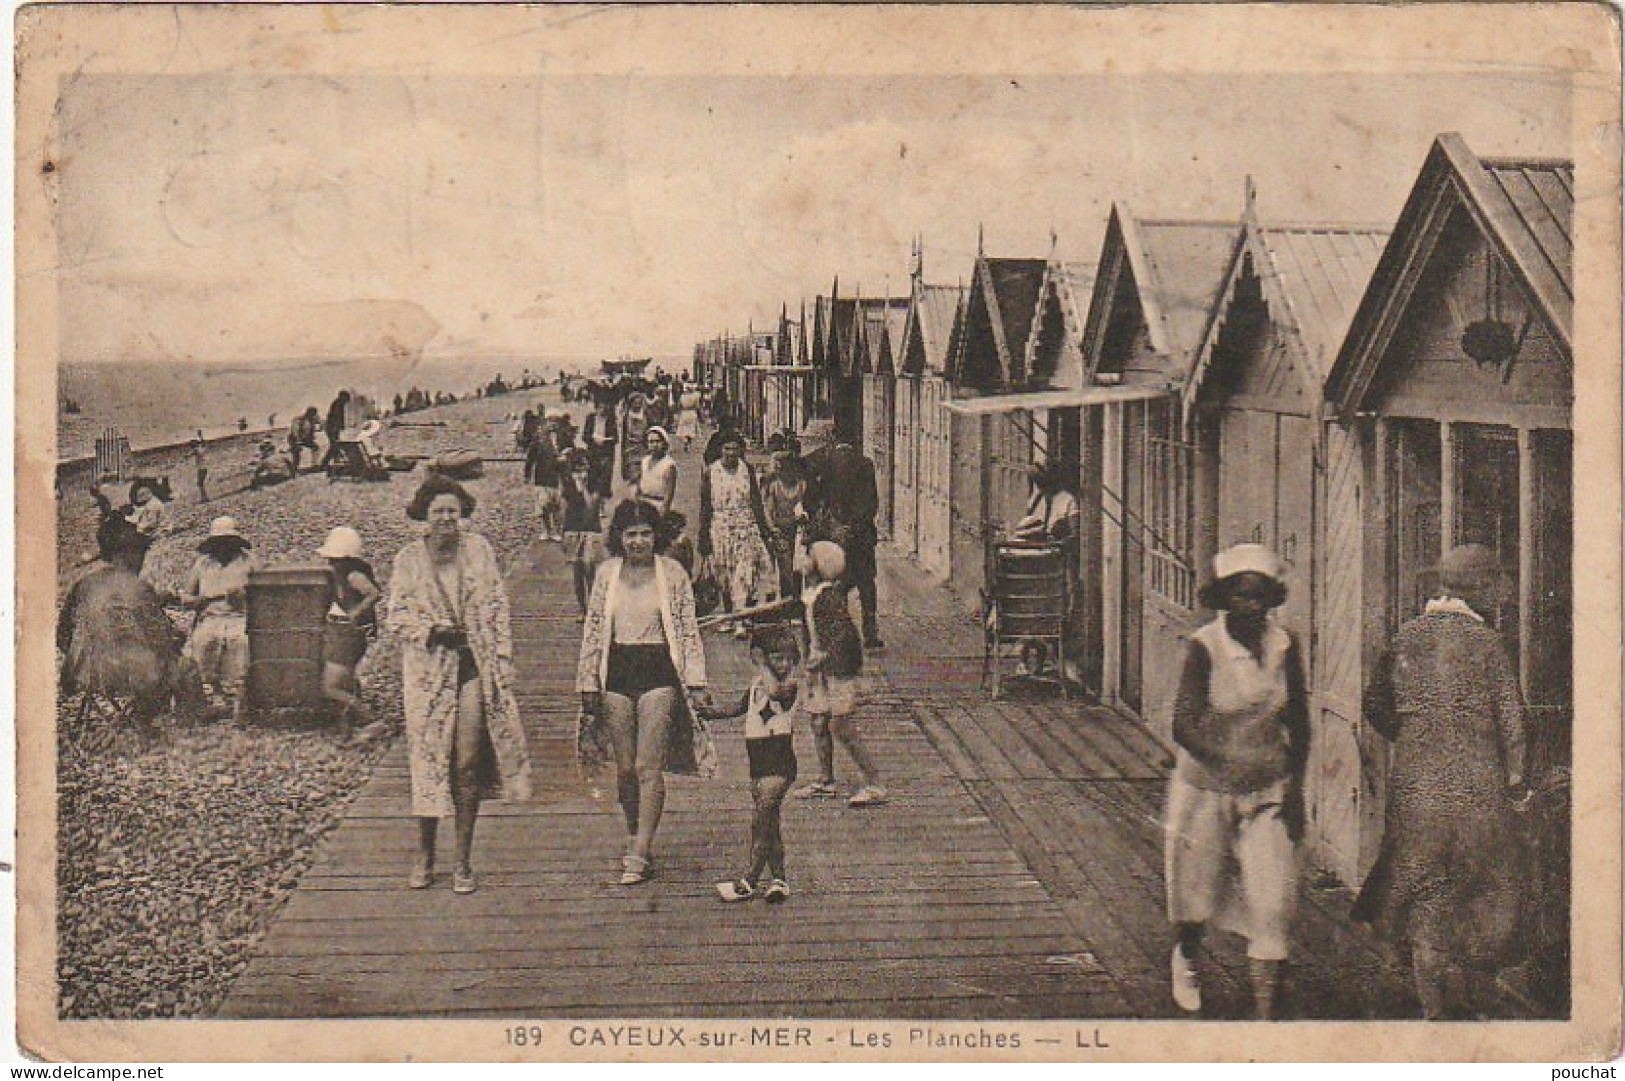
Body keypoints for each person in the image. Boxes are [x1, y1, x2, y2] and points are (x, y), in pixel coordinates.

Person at [1352, 543, 1528, 1019]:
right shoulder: (1490, 644)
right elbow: (1512, 722)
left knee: (1426, 889)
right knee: (1483, 887)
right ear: (1485, 588)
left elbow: (1375, 704)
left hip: (1416, 785)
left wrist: (1414, 737)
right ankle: (1470, 1000)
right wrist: (1516, 780)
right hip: (1478, 785)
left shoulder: (1406, 636)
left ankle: (1435, 1008)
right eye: (1498, 583)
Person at [1163, 543, 1308, 1019]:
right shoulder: (1205, 647)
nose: (1253, 607)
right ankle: (1186, 954)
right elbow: (1183, 724)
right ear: (1224, 599)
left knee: (1272, 902)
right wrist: (1224, 759)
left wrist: (1295, 795)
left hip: (1266, 790)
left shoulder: (1285, 645)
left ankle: (1266, 1021)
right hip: (1204, 788)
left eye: (1262, 597)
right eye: (1243, 597)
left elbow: (1300, 723)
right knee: (1193, 895)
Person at [387, 475, 533, 894]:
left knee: (467, 763)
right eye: (439, 512)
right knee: (429, 761)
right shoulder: (408, 560)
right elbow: (395, 616)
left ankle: (463, 861)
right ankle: (425, 855)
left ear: (463, 514)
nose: (447, 519)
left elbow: (498, 606)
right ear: (425, 518)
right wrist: (432, 632)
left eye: (453, 511)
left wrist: (503, 661)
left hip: (475, 664)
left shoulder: (480, 550)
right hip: (430, 670)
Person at [577, 499, 712, 886]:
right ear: (619, 537)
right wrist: (588, 681)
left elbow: (688, 628)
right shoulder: (606, 574)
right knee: (624, 769)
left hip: (658, 672)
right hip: (616, 670)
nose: (638, 541)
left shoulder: (672, 574)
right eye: (631, 534)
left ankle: (640, 849)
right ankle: (637, 832)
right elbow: (594, 627)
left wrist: (697, 680)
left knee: (646, 766)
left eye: (646, 534)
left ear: (657, 536)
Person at [699, 621, 801, 903]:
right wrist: (707, 711)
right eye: (777, 658)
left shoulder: (787, 686)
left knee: (761, 821)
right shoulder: (757, 684)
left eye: (789, 660)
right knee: (770, 822)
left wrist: (761, 663)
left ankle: (750, 879)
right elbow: (735, 709)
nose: (784, 665)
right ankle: (779, 878)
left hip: (779, 762)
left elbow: (775, 692)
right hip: (758, 762)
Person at [791, 541, 887, 807]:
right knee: (818, 721)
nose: (804, 558)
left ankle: (874, 783)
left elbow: (843, 636)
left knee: (841, 725)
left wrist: (825, 658)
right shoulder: (811, 594)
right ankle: (825, 780)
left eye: (810, 555)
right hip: (819, 669)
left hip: (836, 669)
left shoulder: (828, 598)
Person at [800, 418, 884, 649]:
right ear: (855, 439)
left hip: (831, 534)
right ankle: (870, 632)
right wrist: (855, 525)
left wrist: (825, 520)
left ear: (833, 438)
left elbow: (809, 497)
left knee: (836, 582)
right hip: (860, 535)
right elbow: (871, 502)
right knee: (866, 583)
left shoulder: (822, 461)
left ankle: (839, 631)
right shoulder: (864, 464)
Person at [180, 516, 260, 724]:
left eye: (227, 542)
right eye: (219, 543)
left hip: (239, 616)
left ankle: (240, 699)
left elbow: (263, 593)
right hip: (210, 616)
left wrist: (244, 595)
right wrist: (201, 600)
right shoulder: (203, 564)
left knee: (241, 642)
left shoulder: (248, 561)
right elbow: (186, 597)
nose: (223, 547)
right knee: (203, 641)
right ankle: (213, 696)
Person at [698, 429, 776, 620]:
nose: (731, 453)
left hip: (745, 526)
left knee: (745, 571)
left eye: (735, 448)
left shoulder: (746, 470)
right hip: (720, 527)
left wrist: (764, 529)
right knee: (724, 572)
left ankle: (741, 617)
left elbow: (756, 500)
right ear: (720, 449)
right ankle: (728, 615)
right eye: (727, 448)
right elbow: (705, 506)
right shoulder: (711, 472)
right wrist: (703, 537)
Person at [317, 526, 385, 745]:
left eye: (336, 559)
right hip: (340, 630)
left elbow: (374, 593)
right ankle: (347, 728)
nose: (332, 563)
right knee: (344, 682)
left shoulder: (354, 575)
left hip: (347, 633)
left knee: (329, 687)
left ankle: (369, 720)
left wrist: (356, 612)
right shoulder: (341, 574)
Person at [761, 433, 807, 600]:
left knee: (799, 567)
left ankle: (796, 599)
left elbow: (805, 506)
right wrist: (773, 529)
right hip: (780, 530)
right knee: (784, 565)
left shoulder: (802, 485)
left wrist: (803, 517)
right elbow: (768, 509)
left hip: (798, 530)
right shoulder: (775, 486)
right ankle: (786, 600)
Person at [560, 450, 606, 615]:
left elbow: (591, 508)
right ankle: (582, 608)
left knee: (589, 567)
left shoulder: (595, 484)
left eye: (584, 467)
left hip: (591, 529)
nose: (581, 472)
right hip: (573, 529)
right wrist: (562, 534)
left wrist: (583, 488)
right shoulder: (567, 484)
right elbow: (564, 509)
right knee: (577, 571)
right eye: (578, 469)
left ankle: (594, 607)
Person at [525, 412, 564, 542]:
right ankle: (547, 530)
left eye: (556, 421)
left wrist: (567, 456)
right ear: (546, 422)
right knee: (544, 506)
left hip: (558, 476)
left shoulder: (563, 436)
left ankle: (557, 531)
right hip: (541, 476)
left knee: (556, 506)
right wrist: (527, 474)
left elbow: (573, 451)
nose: (553, 423)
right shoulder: (538, 438)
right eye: (550, 420)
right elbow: (530, 457)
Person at [635, 426, 678, 518]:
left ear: (664, 443)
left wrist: (662, 513)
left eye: (658, 441)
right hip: (644, 503)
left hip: (659, 505)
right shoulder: (645, 461)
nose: (654, 445)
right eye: (651, 442)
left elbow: (668, 496)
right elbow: (640, 485)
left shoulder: (668, 465)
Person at [582, 396, 619, 499]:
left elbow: (616, 438)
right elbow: (584, 436)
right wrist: (593, 438)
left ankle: (602, 504)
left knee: (604, 479)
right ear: (596, 407)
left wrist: (606, 440)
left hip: (606, 453)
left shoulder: (611, 420)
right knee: (593, 477)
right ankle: (593, 504)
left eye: (605, 407)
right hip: (593, 452)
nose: (603, 409)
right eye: (600, 407)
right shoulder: (590, 418)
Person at [620, 392, 652, 484]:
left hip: (643, 447)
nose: (637, 405)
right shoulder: (627, 416)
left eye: (639, 403)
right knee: (633, 475)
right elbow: (624, 437)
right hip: (630, 449)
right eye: (635, 403)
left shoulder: (646, 415)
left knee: (644, 472)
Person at [319, 390, 351, 471]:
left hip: (333, 428)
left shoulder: (339, 404)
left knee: (335, 445)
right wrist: (340, 426)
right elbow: (337, 418)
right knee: (334, 446)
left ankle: (332, 462)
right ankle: (324, 464)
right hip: (332, 428)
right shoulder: (338, 404)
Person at [189, 432, 210, 504]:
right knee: (200, 483)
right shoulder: (202, 448)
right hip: (205, 468)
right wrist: (200, 436)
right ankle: (204, 497)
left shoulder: (196, 450)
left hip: (201, 468)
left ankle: (204, 497)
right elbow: (204, 443)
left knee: (200, 483)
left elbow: (189, 454)